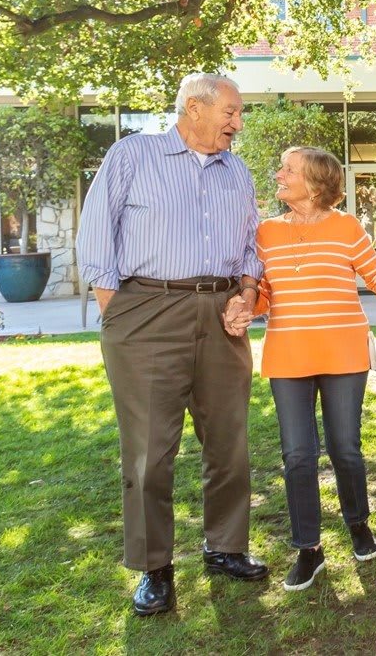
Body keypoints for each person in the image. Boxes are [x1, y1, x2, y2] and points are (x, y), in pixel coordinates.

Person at [77, 73, 266, 617]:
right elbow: (97, 234)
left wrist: (247, 294)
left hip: (223, 310)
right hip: (146, 309)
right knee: (148, 452)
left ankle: (225, 546)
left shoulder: (238, 170)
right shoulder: (132, 155)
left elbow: (251, 244)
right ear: (194, 109)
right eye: (231, 112)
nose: (237, 123)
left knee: (228, 440)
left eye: (238, 113)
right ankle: (153, 567)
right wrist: (118, 310)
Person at [246, 145, 376, 591]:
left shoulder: (346, 226)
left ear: (316, 184)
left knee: (345, 448)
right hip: (288, 356)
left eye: (288, 169)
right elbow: (262, 293)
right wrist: (245, 306)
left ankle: (358, 526)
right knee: (298, 454)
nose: (278, 173)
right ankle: (308, 549)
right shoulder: (264, 232)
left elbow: (375, 275)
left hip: (343, 353)